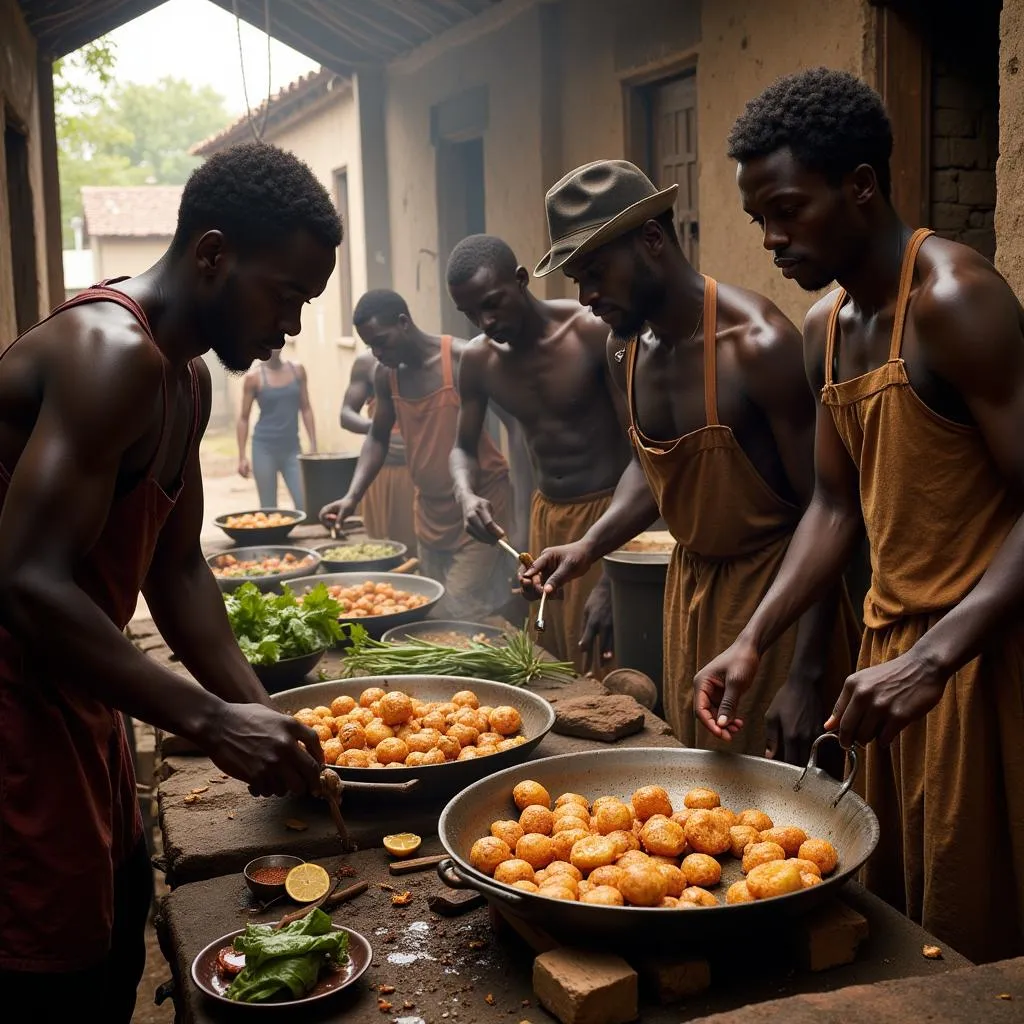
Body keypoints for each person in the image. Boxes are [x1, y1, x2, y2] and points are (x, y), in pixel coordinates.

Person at [693, 67, 1024, 964]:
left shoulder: (957, 303)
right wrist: (756, 637)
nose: (770, 237)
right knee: (897, 918)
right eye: (760, 216)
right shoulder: (825, 327)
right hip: (887, 660)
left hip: (981, 660)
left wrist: (934, 657)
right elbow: (836, 507)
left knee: (976, 936)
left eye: (789, 209)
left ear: (863, 186)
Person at [0, 142, 340, 1015]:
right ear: (213, 254)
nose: (293, 326)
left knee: (117, 926)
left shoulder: (183, 379)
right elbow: (28, 583)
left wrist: (261, 711)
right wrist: (209, 720)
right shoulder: (110, 355)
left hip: (79, 687)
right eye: (287, 295)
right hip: (16, 706)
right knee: (49, 966)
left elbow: (177, 565)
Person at [523, 159, 859, 763]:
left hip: (778, 605)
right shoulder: (624, 351)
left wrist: (805, 675)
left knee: (776, 815)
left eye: (595, 271)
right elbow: (652, 467)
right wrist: (587, 547)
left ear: (652, 239)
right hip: (690, 597)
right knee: (703, 798)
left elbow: (829, 511)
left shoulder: (758, 346)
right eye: (577, 278)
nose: (585, 295)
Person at [447, 233, 631, 671]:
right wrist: (465, 494)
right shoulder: (478, 361)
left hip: (614, 515)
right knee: (555, 662)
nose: (484, 321)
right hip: (545, 517)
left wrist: (614, 571)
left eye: (492, 303)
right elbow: (462, 449)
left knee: (610, 660)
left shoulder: (591, 333)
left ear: (521, 280)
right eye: (470, 313)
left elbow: (644, 453)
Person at [320, 290, 513, 622]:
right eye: (371, 346)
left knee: (462, 604)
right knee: (432, 608)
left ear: (403, 322)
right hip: (429, 513)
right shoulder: (386, 375)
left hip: (480, 509)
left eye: (382, 341)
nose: (377, 353)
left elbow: (516, 425)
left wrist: (523, 519)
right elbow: (377, 438)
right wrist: (352, 497)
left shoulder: (463, 359)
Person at [340, 348, 417, 552]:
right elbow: (346, 414)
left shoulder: (426, 361)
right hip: (380, 470)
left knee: (418, 545)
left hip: (418, 470)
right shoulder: (366, 362)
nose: (377, 349)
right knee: (383, 548)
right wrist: (378, 428)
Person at [237, 349, 316, 509]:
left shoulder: (297, 371)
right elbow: (243, 418)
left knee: (304, 503)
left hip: (292, 448)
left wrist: (314, 444)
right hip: (264, 449)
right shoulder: (254, 378)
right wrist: (242, 456)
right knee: (269, 508)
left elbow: (306, 408)